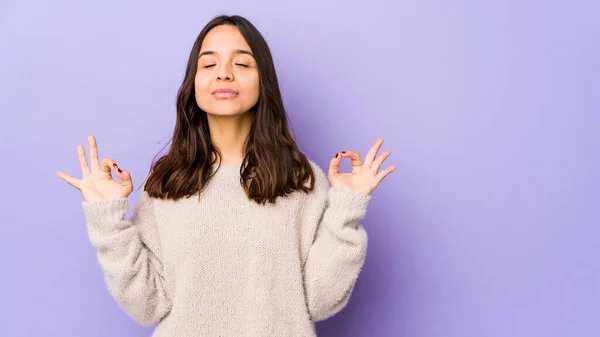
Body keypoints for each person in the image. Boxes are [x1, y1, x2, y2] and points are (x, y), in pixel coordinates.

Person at [56, 14, 395, 337]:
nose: (224, 73)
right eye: (209, 64)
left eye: (242, 63)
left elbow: (321, 301)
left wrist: (346, 210)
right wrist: (109, 224)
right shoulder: (167, 183)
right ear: (193, 84)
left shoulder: (300, 180)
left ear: (264, 81)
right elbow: (148, 305)